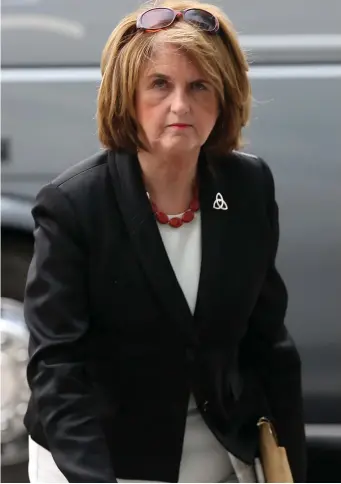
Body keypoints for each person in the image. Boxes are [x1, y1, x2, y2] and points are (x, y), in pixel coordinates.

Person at [23, 1, 307, 482]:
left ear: (225, 97)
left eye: (199, 86)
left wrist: (293, 468)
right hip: (99, 457)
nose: (181, 105)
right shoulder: (74, 204)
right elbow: (56, 365)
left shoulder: (248, 186)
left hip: (220, 453)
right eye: (159, 84)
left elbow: (269, 344)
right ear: (125, 97)